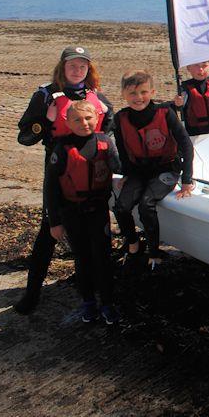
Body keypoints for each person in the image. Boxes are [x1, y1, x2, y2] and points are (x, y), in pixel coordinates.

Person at [14, 45, 114, 315]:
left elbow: (109, 124)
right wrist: (45, 123)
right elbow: (24, 136)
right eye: (72, 65)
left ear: (88, 69)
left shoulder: (94, 95)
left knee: (93, 238)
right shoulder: (45, 95)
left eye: (82, 65)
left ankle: (95, 295)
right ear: (62, 67)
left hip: (90, 170)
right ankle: (32, 294)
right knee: (49, 230)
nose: (77, 69)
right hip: (58, 168)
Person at [44, 100, 121, 323]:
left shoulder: (105, 142)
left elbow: (119, 168)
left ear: (97, 119)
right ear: (68, 122)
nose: (84, 123)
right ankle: (88, 302)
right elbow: (50, 186)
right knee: (83, 257)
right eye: (77, 119)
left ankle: (107, 303)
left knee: (103, 258)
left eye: (88, 118)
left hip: (98, 210)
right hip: (72, 212)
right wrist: (54, 222)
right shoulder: (62, 148)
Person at [112, 70, 194, 268]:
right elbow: (123, 150)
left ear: (152, 92)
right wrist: (126, 174)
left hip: (166, 168)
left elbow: (186, 145)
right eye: (132, 93)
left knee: (146, 204)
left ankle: (154, 252)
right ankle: (133, 244)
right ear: (123, 94)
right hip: (139, 170)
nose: (138, 98)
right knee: (121, 207)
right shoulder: (120, 118)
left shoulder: (165, 114)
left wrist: (187, 179)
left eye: (143, 92)